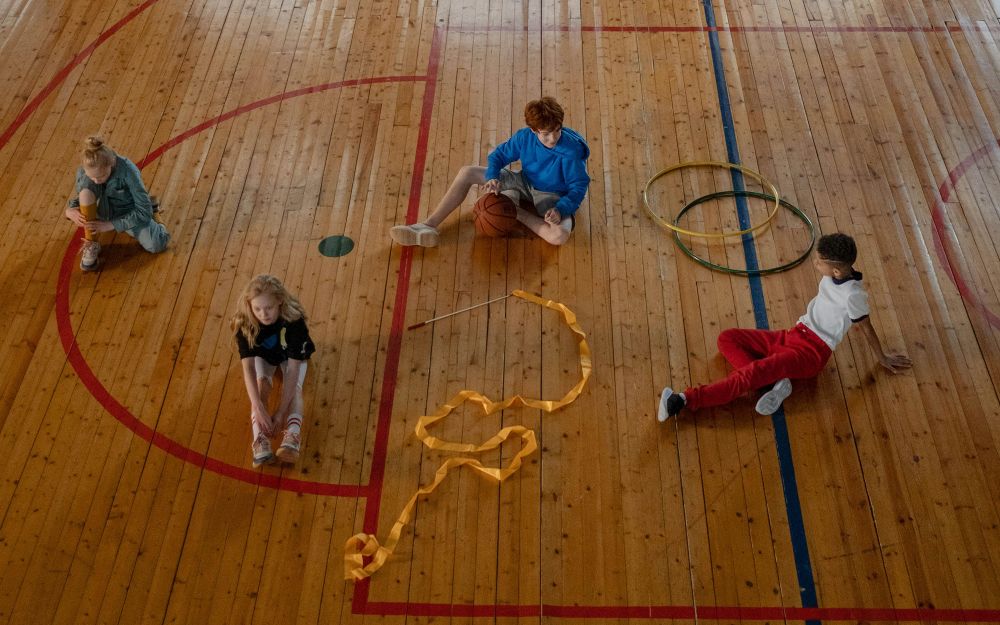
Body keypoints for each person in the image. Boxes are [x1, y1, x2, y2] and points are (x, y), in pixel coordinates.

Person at [658, 233, 912, 421]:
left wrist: (882, 357)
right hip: (793, 335)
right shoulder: (833, 275)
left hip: (811, 353)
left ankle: (684, 400)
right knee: (727, 338)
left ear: (836, 271)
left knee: (751, 373)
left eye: (819, 262)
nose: (815, 263)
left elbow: (866, 327)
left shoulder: (853, 296)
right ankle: (773, 384)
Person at [389, 96, 590, 247]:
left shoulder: (572, 151)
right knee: (467, 172)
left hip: (552, 195)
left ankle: (516, 211)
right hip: (524, 181)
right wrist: (493, 176)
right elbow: (498, 155)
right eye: (546, 134)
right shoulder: (524, 137)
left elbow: (579, 186)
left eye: (557, 130)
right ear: (533, 130)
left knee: (559, 236)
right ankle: (428, 225)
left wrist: (560, 209)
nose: (553, 138)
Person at [231, 275, 315, 466]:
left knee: (295, 390)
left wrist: (281, 411)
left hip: (289, 355)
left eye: (268, 308)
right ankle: (260, 441)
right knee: (262, 386)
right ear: (249, 306)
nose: (263, 314)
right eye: (257, 309)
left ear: (279, 301)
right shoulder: (244, 323)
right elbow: (248, 368)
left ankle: (292, 438)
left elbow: (292, 369)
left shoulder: (294, 321)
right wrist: (258, 407)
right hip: (265, 355)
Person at [65, 135, 169, 271]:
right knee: (85, 193)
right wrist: (70, 210)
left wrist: (111, 225)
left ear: (112, 163)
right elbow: (83, 195)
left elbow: (143, 211)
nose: (96, 181)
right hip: (103, 211)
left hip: (128, 213)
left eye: (101, 176)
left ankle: (155, 212)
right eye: (92, 177)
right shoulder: (89, 169)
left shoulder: (128, 171)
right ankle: (91, 244)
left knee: (157, 244)